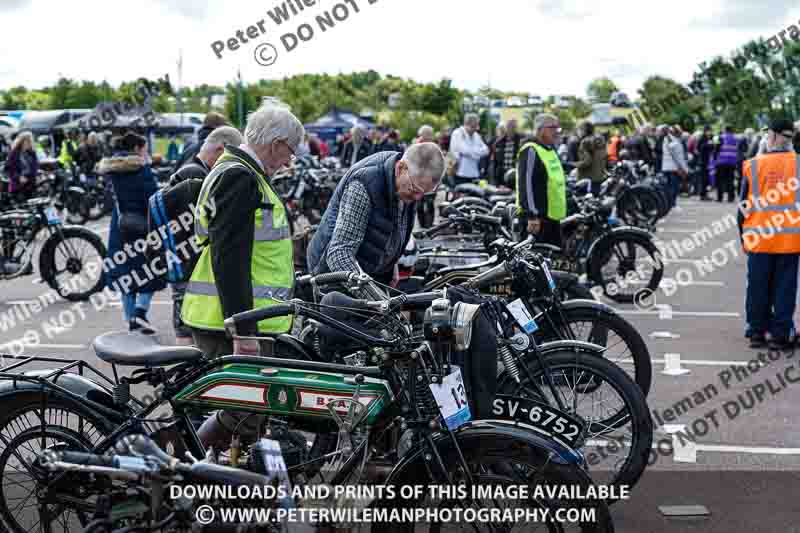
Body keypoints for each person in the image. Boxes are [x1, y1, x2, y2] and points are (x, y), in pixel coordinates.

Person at [180, 100, 302, 450]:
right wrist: (243, 329)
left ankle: (230, 485)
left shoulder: (238, 169)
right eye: (289, 152)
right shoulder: (240, 176)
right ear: (277, 143)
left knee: (248, 416)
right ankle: (183, 466)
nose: (288, 161)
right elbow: (229, 258)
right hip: (229, 322)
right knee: (243, 412)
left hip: (229, 317)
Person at [164, 126, 244, 345]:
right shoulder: (196, 174)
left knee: (185, 326)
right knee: (187, 332)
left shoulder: (190, 167)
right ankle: (186, 376)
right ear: (221, 149)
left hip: (180, 259)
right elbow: (202, 225)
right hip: (187, 263)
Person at [739, 118, 799, 351]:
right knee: (784, 288)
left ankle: (756, 332)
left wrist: (742, 235)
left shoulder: (753, 165)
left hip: (759, 236)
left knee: (757, 286)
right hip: (790, 240)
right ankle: (779, 335)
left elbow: (743, 206)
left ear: (772, 137)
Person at [99, 132, 166, 333]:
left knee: (124, 274)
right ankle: (140, 312)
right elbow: (152, 198)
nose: (146, 152)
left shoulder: (111, 170)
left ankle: (131, 321)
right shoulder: (141, 170)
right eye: (145, 148)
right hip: (142, 227)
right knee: (150, 270)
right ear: (137, 148)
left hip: (119, 227)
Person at [516, 114, 566, 247]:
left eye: (557, 128)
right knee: (531, 262)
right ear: (540, 129)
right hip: (537, 219)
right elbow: (525, 185)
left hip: (552, 217)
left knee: (555, 259)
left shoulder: (550, 149)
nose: (557, 131)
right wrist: (532, 216)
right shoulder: (530, 150)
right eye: (552, 128)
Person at [450, 113, 488, 185]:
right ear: (466, 124)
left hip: (475, 174)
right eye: (473, 126)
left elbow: (486, 150)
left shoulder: (476, 135)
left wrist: (473, 152)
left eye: (477, 125)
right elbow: (464, 150)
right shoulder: (457, 133)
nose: (476, 128)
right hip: (460, 173)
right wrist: (478, 153)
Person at [3, 131, 38, 201]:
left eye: (30, 141)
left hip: (31, 185)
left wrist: (36, 175)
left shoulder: (32, 153)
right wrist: (18, 177)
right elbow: (7, 169)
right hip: (17, 187)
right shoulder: (14, 153)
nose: (29, 143)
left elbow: (35, 167)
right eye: (27, 141)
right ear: (21, 141)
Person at [575, 121, 607, 196]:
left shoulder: (585, 142)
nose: (578, 132)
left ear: (584, 130)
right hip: (599, 176)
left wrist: (573, 164)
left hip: (587, 179)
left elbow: (587, 162)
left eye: (579, 130)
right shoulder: (601, 139)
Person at [661, 125, 689, 208]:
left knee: (670, 186)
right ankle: (671, 203)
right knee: (674, 187)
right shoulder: (673, 141)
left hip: (668, 167)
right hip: (674, 168)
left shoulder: (668, 139)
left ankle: (669, 203)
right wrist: (684, 168)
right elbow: (677, 156)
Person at [492, 119, 524, 186]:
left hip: (516, 176)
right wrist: (495, 180)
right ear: (506, 128)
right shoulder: (498, 142)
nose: (512, 129)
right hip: (502, 176)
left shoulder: (522, 141)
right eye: (510, 127)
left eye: (514, 127)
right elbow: (495, 163)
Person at [713, 125, 738, 202]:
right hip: (732, 162)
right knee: (730, 180)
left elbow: (716, 149)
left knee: (720, 180)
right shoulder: (735, 138)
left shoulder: (720, 137)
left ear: (725, 130)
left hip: (721, 162)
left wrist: (714, 159)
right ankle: (731, 197)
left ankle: (719, 198)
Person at [696, 126, 714, 200]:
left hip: (709, 161)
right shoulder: (702, 138)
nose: (709, 132)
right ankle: (702, 194)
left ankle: (705, 194)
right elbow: (699, 148)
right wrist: (708, 144)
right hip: (703, 161)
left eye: (710, 131)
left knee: (707, 179)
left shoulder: (710, 138)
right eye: (708, 131)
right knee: (703, 179)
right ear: (705, 131)